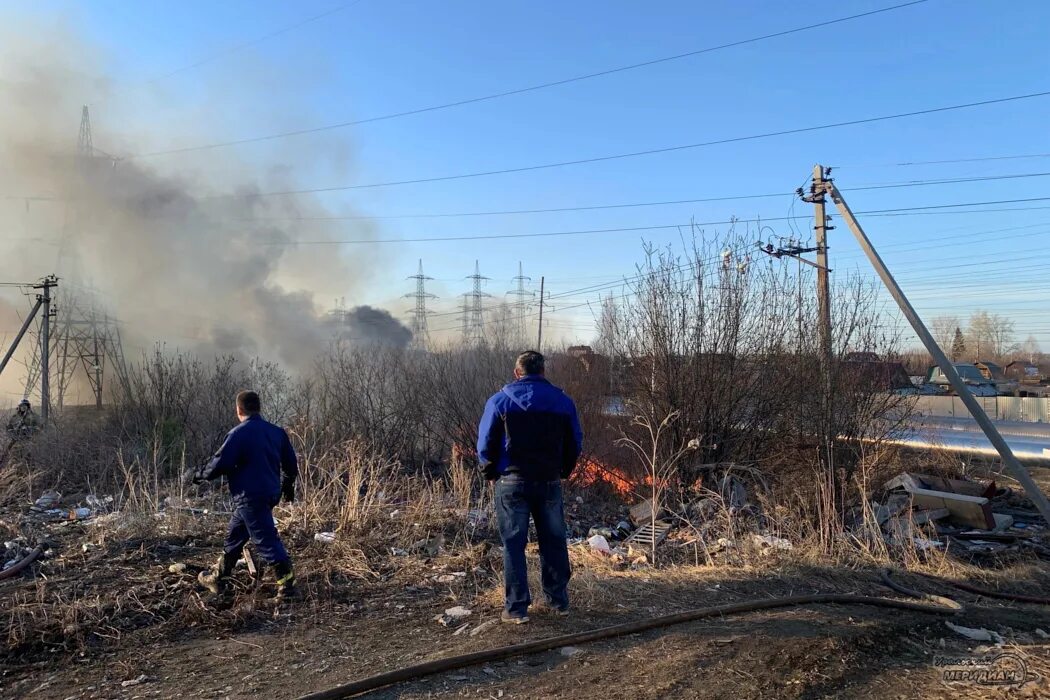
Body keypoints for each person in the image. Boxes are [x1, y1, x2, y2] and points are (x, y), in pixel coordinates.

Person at [477, 350, 583, 624]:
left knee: (513, 545)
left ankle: (516, 609)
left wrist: (490, 472)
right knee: (554, 542)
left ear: (517, 373)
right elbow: (575, 442)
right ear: (543, 372)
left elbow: (486, 444)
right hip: (548, 480)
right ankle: (558, 602)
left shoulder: (499, 401)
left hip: (511, 482)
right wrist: (564, 470)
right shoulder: (562, 401)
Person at [193, 390, 299, 600]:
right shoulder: (276, 432)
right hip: (268, 494)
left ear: (239, 409)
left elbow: (220, 463)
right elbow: (290, 463)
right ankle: (218, 577)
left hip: (250, 496)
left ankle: (288, 588)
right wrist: (288, 486)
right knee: (235, 534)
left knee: (265, 539)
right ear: (258, 407)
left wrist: (200, 475)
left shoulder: (238, 434)